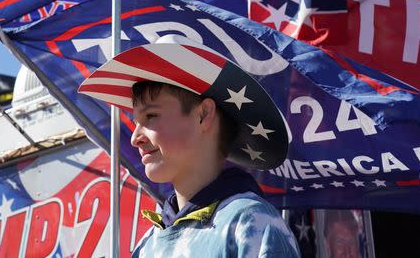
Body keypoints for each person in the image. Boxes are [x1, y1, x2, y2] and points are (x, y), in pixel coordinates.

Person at [78, 35, 300, 257]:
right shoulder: (146, 246)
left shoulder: (251, 224)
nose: (135, 138)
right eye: (136, 121)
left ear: (203, 115)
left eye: (151, 116)